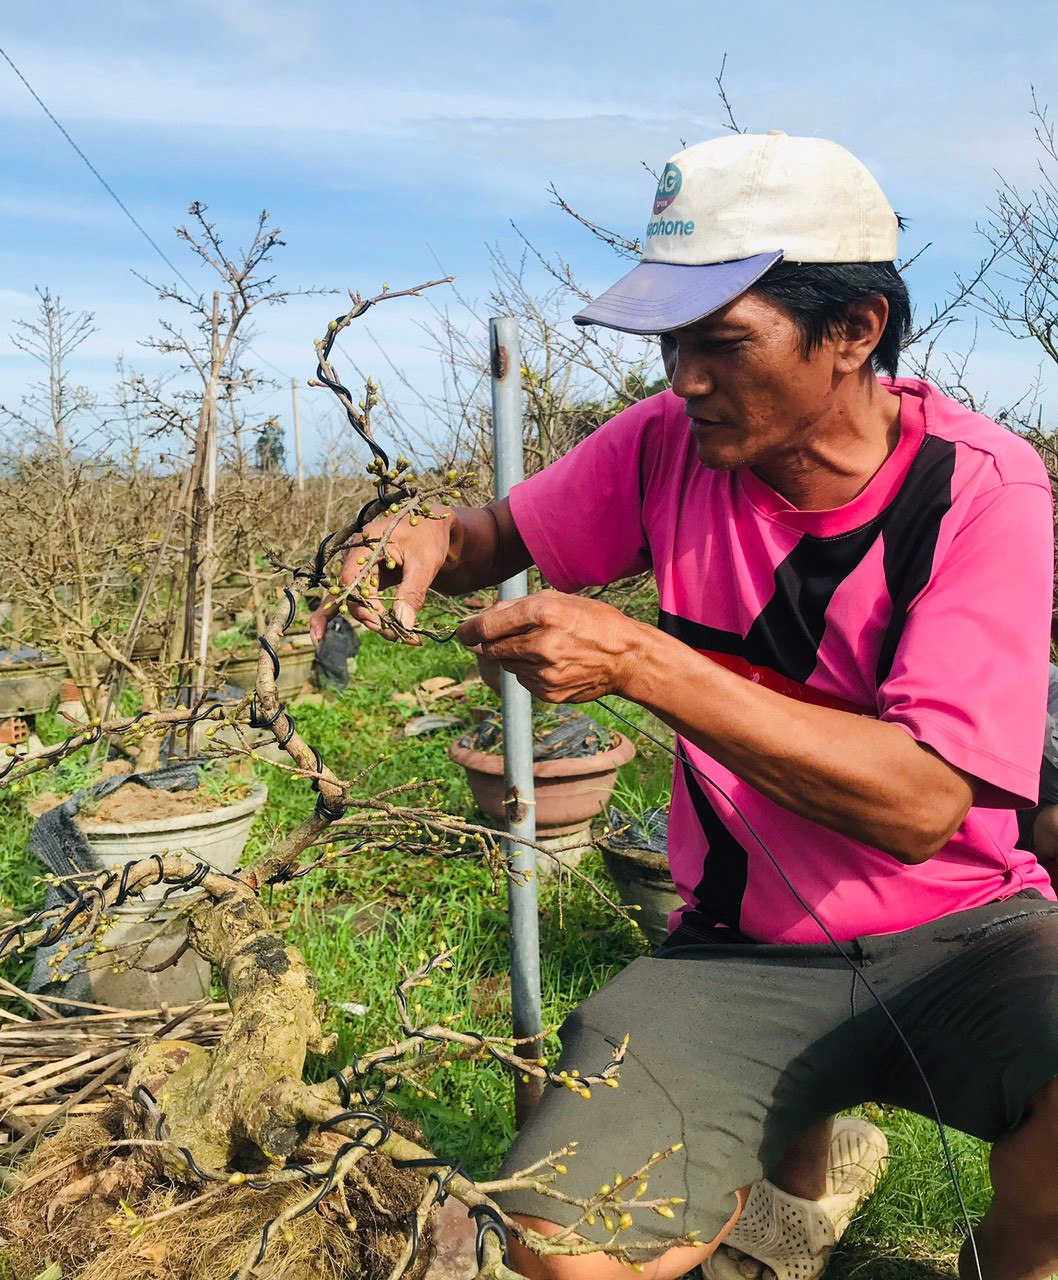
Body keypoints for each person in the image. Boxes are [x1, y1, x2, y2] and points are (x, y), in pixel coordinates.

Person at [311, 132, 1058, 1280]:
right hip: (737, 944)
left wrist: (642, 662)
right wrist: (418, 536)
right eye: (668, 341)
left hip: (965, 934)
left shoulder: (982, 487)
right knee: (565, 1244)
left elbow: (923, 803)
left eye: (720, 341)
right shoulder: (667, 446)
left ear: (854, 329)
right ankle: (798, 1196)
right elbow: (490, 537)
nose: (681, 378)